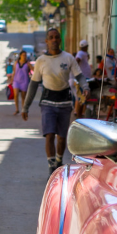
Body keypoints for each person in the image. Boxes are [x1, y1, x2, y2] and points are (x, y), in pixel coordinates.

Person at [23, 28, 88, 174]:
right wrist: (25, 106)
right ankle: (51, 166)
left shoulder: (68, 58)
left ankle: (59, 160)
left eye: (56, 37)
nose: (54, 40)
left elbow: (79, 75)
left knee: (61, 137)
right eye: (51, 37)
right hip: (47, 102)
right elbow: (33, 84)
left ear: (60, 40)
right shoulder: (41, 61)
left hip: (64, 102)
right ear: (46, 41)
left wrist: (85, 86)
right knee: (49, 134)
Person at [11, 50, 32, 114]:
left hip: (24, 81)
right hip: (16, 80)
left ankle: (23, 110)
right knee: (16, 94)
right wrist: (12, 79)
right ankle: (17, 109)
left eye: (25, 55)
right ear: (20, 56)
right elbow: (14, 71)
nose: (24, 56)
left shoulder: (28, 63)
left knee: (23, 96)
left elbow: (33, 69)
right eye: (23, 55)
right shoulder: (16, 62)